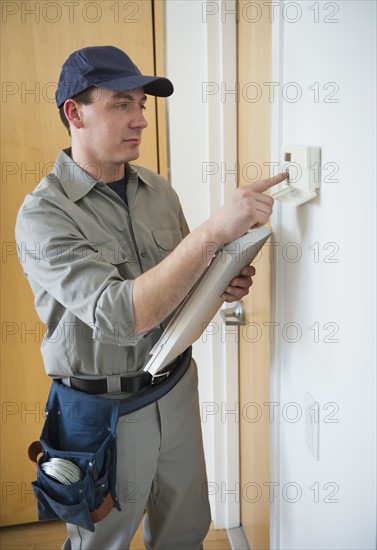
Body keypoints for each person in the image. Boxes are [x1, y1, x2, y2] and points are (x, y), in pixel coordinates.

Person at [15, 46, 287, 549]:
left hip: (175, 389)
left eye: (141, 104)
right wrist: (210, 234)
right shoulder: (42, 216)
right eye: (121, 104)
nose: (141, 119)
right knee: (104, 542)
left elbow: (175, 286)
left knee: (186, 529)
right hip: (99, 413)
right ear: (74, 112)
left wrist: (218, 282)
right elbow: (125, 315)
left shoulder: (158, 190)